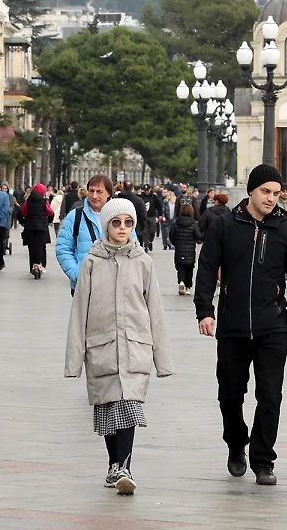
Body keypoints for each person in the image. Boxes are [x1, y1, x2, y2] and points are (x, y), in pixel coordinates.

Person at [194, 164, 287, 487]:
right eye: (265, 192)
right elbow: (206, 269)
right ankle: (235, 442)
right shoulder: (225, 226)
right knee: (230, 394)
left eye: (276, 193)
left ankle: (263, 459)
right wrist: (205, 310)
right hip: (232, 326)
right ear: (251, 192)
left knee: (270, 395)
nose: (271, 199)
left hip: (272, 327)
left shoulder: (286, 230)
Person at [65, 198, 173, 496]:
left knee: (128, 406)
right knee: (107, 410)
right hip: (100, 348)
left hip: (136, 346)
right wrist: (74, 361)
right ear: (107, 226)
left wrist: (162, 360)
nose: (123, 228)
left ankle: (125, 467)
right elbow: (79, 314)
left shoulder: (143, 262)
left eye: (128, 222)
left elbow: (156, 311)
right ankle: (114, 465)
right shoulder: (90, 263)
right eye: (116, 222)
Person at [59, 175, 130, 292]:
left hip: (116, 285)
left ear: (109, 193)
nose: (94, 196)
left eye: (99, 191)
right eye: (91, 191)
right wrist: (77, 274)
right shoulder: (75, 216)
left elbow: (133, 246)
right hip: (85, 286)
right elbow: (63, 248)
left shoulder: (121, 215)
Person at [19, 183, 54, 279]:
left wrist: (24, 221)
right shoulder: (44, 201)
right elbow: (50, 212)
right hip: (41, 227)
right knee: (39, 246)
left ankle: (32, 266)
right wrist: (49, 221)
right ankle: (38, 264)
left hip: (30, 226)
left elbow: (23, 212)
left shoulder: (28, 201)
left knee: (32, 247)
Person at [170, 204, 200, 296]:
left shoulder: (176, 223)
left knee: (180, 268)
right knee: (189, 269)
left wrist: (176, 244)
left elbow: (171, 236)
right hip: (190, 250)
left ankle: (181, 281)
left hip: (179, 249)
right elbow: (198, 236)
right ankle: (188, 287)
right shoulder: (193, 223)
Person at [141, 185, 164, 252]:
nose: (146, 192)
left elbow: (159, 206)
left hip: (152, 216)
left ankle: (150, 241)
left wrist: (160, 215)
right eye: (145, 190)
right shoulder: (141, 197)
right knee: (145, 232)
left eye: (147, 190)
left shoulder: (154, 197)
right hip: (144, 217)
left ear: (150, 189)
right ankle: (146, 245)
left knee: (152, 231)